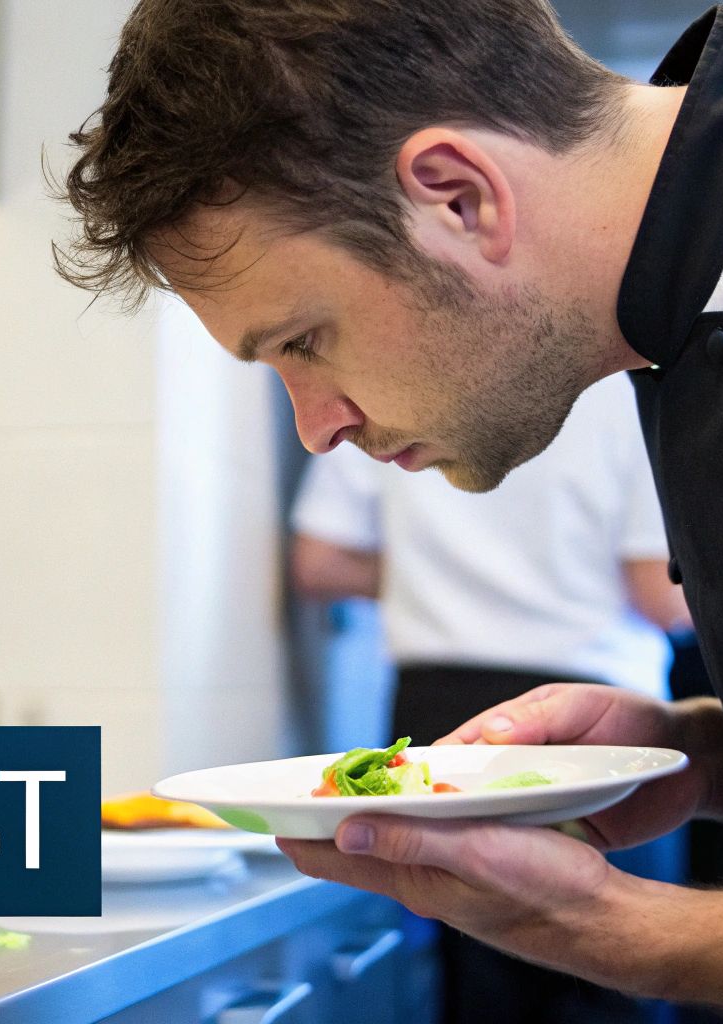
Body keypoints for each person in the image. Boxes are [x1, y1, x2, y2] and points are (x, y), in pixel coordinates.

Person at [53, 2, 723, 1022]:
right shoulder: (717, 269)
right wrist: (694, 758)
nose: (315, 427)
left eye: (303, 341)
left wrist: (608, 930)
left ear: (456, 193)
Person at [291, 373, 689, 1024]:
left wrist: (441, 581)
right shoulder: (629, 384)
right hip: (598, 725)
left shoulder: (370, 381)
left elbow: (319, 563)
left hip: (437, 709)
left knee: (479, 985)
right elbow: (659, 592)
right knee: (617, 976)